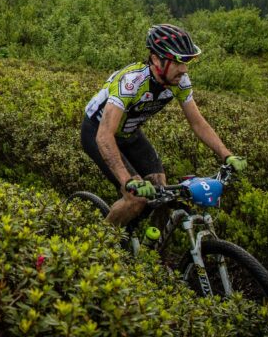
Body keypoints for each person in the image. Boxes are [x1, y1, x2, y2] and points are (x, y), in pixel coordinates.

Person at [81, 23, 247, 226]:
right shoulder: (131, 82)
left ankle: (148, 239)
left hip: (130, 134)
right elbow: (104, 135)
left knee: (162, 192)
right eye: (177, 62)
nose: (184, 69)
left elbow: (198, 123)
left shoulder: (180, 81)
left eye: (186, 62)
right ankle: (101, 239)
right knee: (136, 198)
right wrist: (128, 180)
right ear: (155, 59)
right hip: (97, 132)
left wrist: (226, 155)